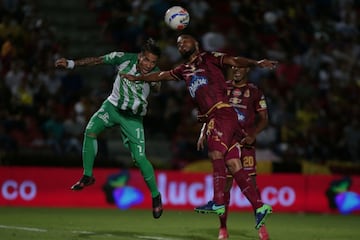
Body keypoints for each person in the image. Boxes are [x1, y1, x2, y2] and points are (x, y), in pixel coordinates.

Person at [122, 34, 277, 230]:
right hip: (220, 118)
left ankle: (218, 200)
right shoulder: (184, 69)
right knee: (233, 163)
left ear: (195, 44)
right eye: (178, 44)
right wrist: (139, 78)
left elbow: (234, 60)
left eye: (184, 41)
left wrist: (256, 63)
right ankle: (259, 206)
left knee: (215, 153)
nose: (181, 45)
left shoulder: (209, 57)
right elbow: (162, 75)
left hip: (221, 113)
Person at [54, 38, 163, 219]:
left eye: (153, 63)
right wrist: (71, 63)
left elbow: (158, 87)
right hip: (111, 108)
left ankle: (156, 196)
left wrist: (152, 80)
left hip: (133, 117)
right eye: (146, 60)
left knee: (139, 158)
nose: (149, 65)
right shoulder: (123, 58)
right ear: (140, 56)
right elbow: (97, 60)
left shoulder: (155, 72)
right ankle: (87, 175)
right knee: (90, 131)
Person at [197, 66, 270, 240]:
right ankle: (223, 227)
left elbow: (264, 118)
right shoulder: (224, 88)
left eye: (241, 67)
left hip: (245, 142)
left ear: (247, 70)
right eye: (234, 67)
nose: (236, 70)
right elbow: (212, 112)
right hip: (227, 139)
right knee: (226, 185)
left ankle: (261, 225)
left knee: (251, 183)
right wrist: (203, 131)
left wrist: (253, 135)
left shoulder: (254, 91)